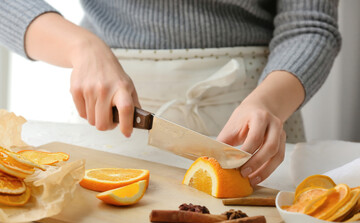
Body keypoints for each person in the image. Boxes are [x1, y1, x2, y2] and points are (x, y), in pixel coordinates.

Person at [0, 0, 341, 187]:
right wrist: (82, 48)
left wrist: (269, 102)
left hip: (258, 115)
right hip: (112, 116)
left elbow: (310, 25)